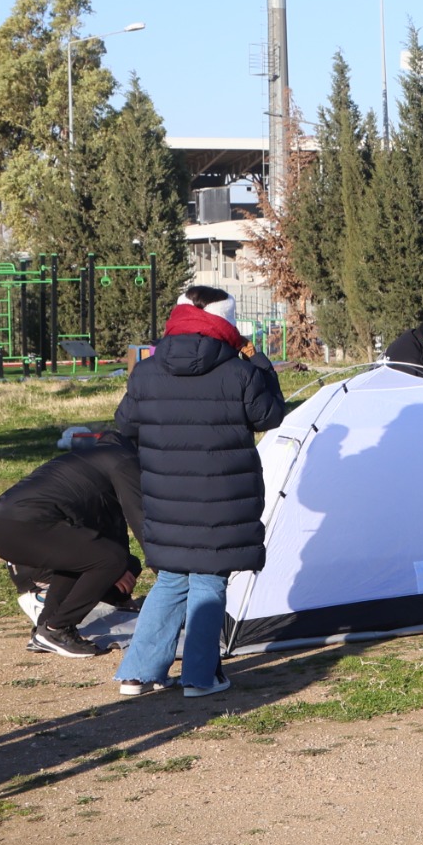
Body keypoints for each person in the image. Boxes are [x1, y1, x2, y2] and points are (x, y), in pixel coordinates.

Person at [113, 286, 289, 698]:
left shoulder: (147, 371)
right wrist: (258, 360)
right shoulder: (239, 371)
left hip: (165, 497)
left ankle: (138, 673)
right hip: (223, 499)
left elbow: (126, 423)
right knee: (210, 580)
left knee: (171, 579)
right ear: (226, 322)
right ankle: (200, 676)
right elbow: (270, 415)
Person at [0, 432, 145, 657]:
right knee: (112, 560)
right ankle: (57, 629)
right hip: (28, 526)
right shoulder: (124, 461)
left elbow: (105, 531)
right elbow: (141, 522)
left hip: (2, 526)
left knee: (89, 559)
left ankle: (44, 629)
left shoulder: (89, 461)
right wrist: (170, 577)